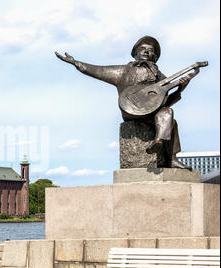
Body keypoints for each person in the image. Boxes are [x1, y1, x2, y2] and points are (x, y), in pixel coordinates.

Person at [55, 35, 191, 169]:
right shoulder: (122, 71)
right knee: (169, 119)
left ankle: (167, 152)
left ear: (154, 57)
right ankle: (165, 149)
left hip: (151, 113)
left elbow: (165, 102)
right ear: (135, 53)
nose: (146, 51)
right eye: (142, 48)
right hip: (130, 111)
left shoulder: (160, 77)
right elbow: (97, 70)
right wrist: (75, 63)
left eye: (150, 50)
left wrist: (180, 88)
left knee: (168, 115)